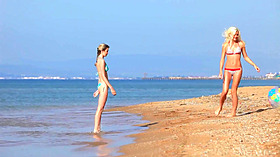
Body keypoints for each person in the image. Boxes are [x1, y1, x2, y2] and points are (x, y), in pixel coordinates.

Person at [215, 27, 260, 117]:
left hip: (238, 70)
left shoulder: (241, 44)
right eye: (235, 34)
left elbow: (245, 57)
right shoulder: (225, 45)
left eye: (237, 34)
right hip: (227, 70)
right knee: (224, 91)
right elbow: (222, 59)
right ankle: (220, 107)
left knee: (233, 91)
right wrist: (220, 71)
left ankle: (233, 112)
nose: (236, 36)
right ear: (230, 34)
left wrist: (254, 65)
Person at [93, 43, 116, 134]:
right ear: (102, 51)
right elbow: (102, 76)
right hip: (103, 85)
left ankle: (97, 128)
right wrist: (111, 87)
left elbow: (100, 76)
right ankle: (96, 129)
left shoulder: (99, 60)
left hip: (101, 85)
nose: (107, 53)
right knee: (100, 109)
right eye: (106, 51)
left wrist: (98, 89)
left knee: (100, 109)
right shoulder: (101, 60)